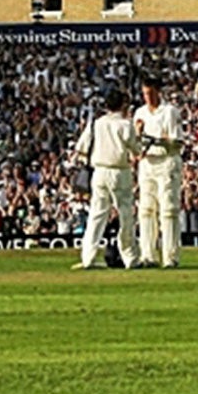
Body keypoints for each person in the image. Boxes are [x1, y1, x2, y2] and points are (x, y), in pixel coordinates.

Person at [73, 83, 144, 270]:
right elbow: (137, 150)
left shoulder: (96, 124)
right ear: (122, 105)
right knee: (126, 214)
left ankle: (88, 258)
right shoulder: (125, 124)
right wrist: (139, 134)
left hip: (100, 171)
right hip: (120, 170)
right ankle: (130, 258)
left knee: (97, 215)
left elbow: (80, 148)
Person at [134, 75, 184, 269]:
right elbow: (135, 145)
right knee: (146, 210)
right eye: (145, 93)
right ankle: (148, 255)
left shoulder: (170, 112)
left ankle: (170, 257)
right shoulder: (140, 113)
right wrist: (138, 136)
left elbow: (177, 143)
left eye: (151, 93)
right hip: (147, 164)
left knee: (168, 210)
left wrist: (157, 140)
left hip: (167, 162)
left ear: (158, 92)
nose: (147, 97)